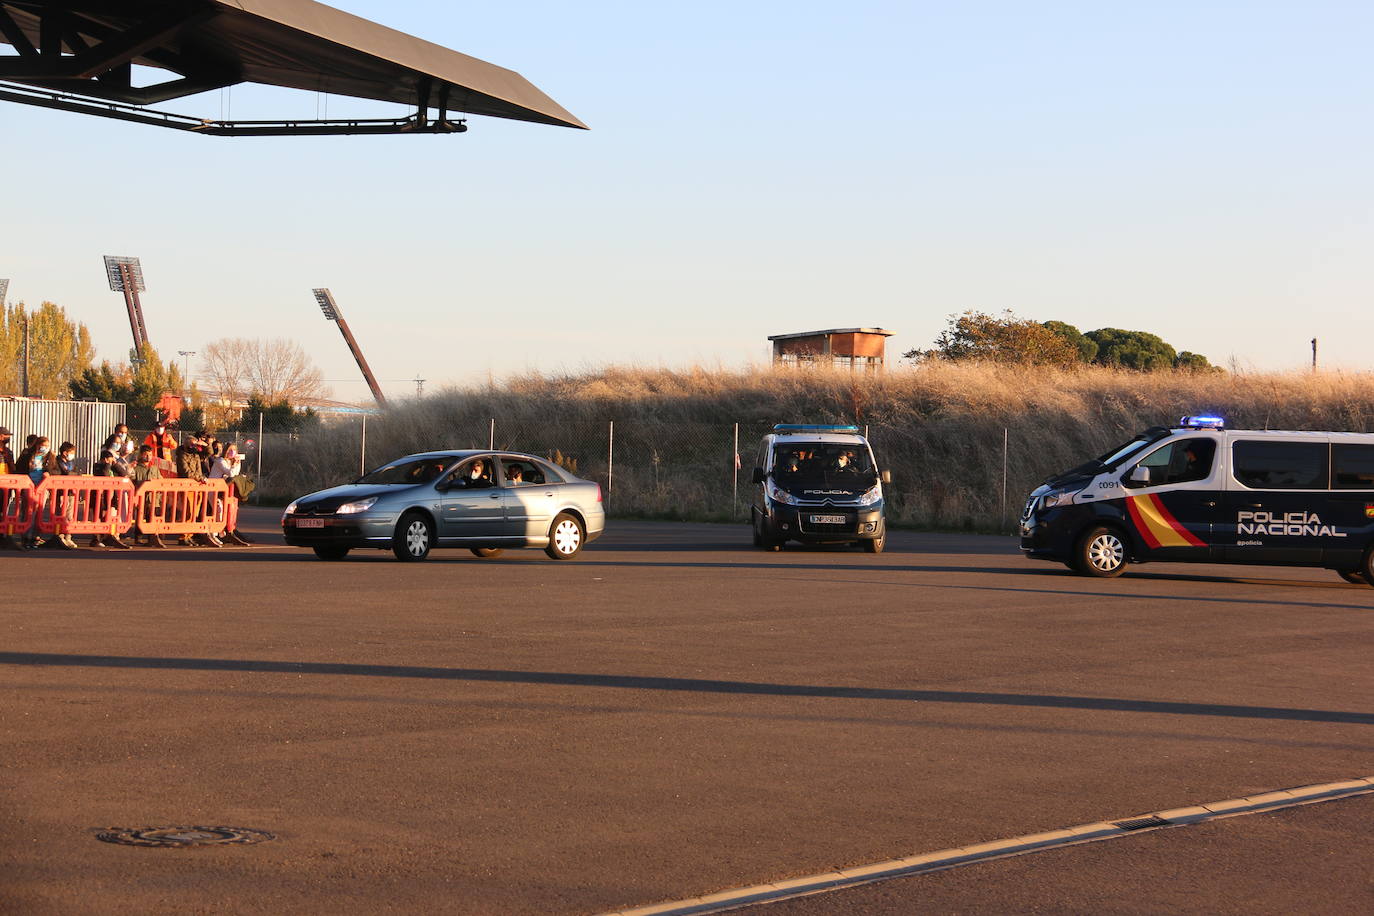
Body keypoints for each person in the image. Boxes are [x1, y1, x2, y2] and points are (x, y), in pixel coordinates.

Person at [17, 436, 61, 549]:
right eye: (43, 446)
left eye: (47, 446)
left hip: (42, 487)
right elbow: (19, 468)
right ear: (37, 445)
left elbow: (57, 471)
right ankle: (25, 536)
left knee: (38, 511)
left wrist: (48, 472)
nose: (45, 448)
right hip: (29, 486)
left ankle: (35, 537)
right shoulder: (27, 455)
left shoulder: (51, 457)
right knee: (28, 510)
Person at [88, 450, 133, 549]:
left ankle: (109, 537)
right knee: (98, 517)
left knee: (110, 516)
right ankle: (96, 539)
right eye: (109, 460)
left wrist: (116, 464)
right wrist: (107, 465)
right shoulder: (98, 466)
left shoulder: (113, 466)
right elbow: (104, 474)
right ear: (104, 459)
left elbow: (124, 474)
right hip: (99, 496)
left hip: (111, 496)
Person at [208, 443, 251, 545]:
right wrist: (235, 464)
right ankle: (214, 534)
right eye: (230, 450)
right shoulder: (220, 461)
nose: (232, 452)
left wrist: (237, 463)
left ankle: (221, 534)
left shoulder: (231, 462)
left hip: (222, 490)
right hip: (213, 489)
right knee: (218, 510)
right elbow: (230, 473)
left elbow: (235, 474)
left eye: (234, 450)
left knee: (222, 512)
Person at [129, 445, 167, 548]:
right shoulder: (136, 468)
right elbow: (132, 481)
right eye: (146, 454)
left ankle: (152, 538)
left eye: (150, 454)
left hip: (153, 499)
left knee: (152, 518)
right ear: (141, 455)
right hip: (141, 499)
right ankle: (138, 538)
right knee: (139, 518)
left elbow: (160, 480)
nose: (148, 457)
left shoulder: (154, 468)